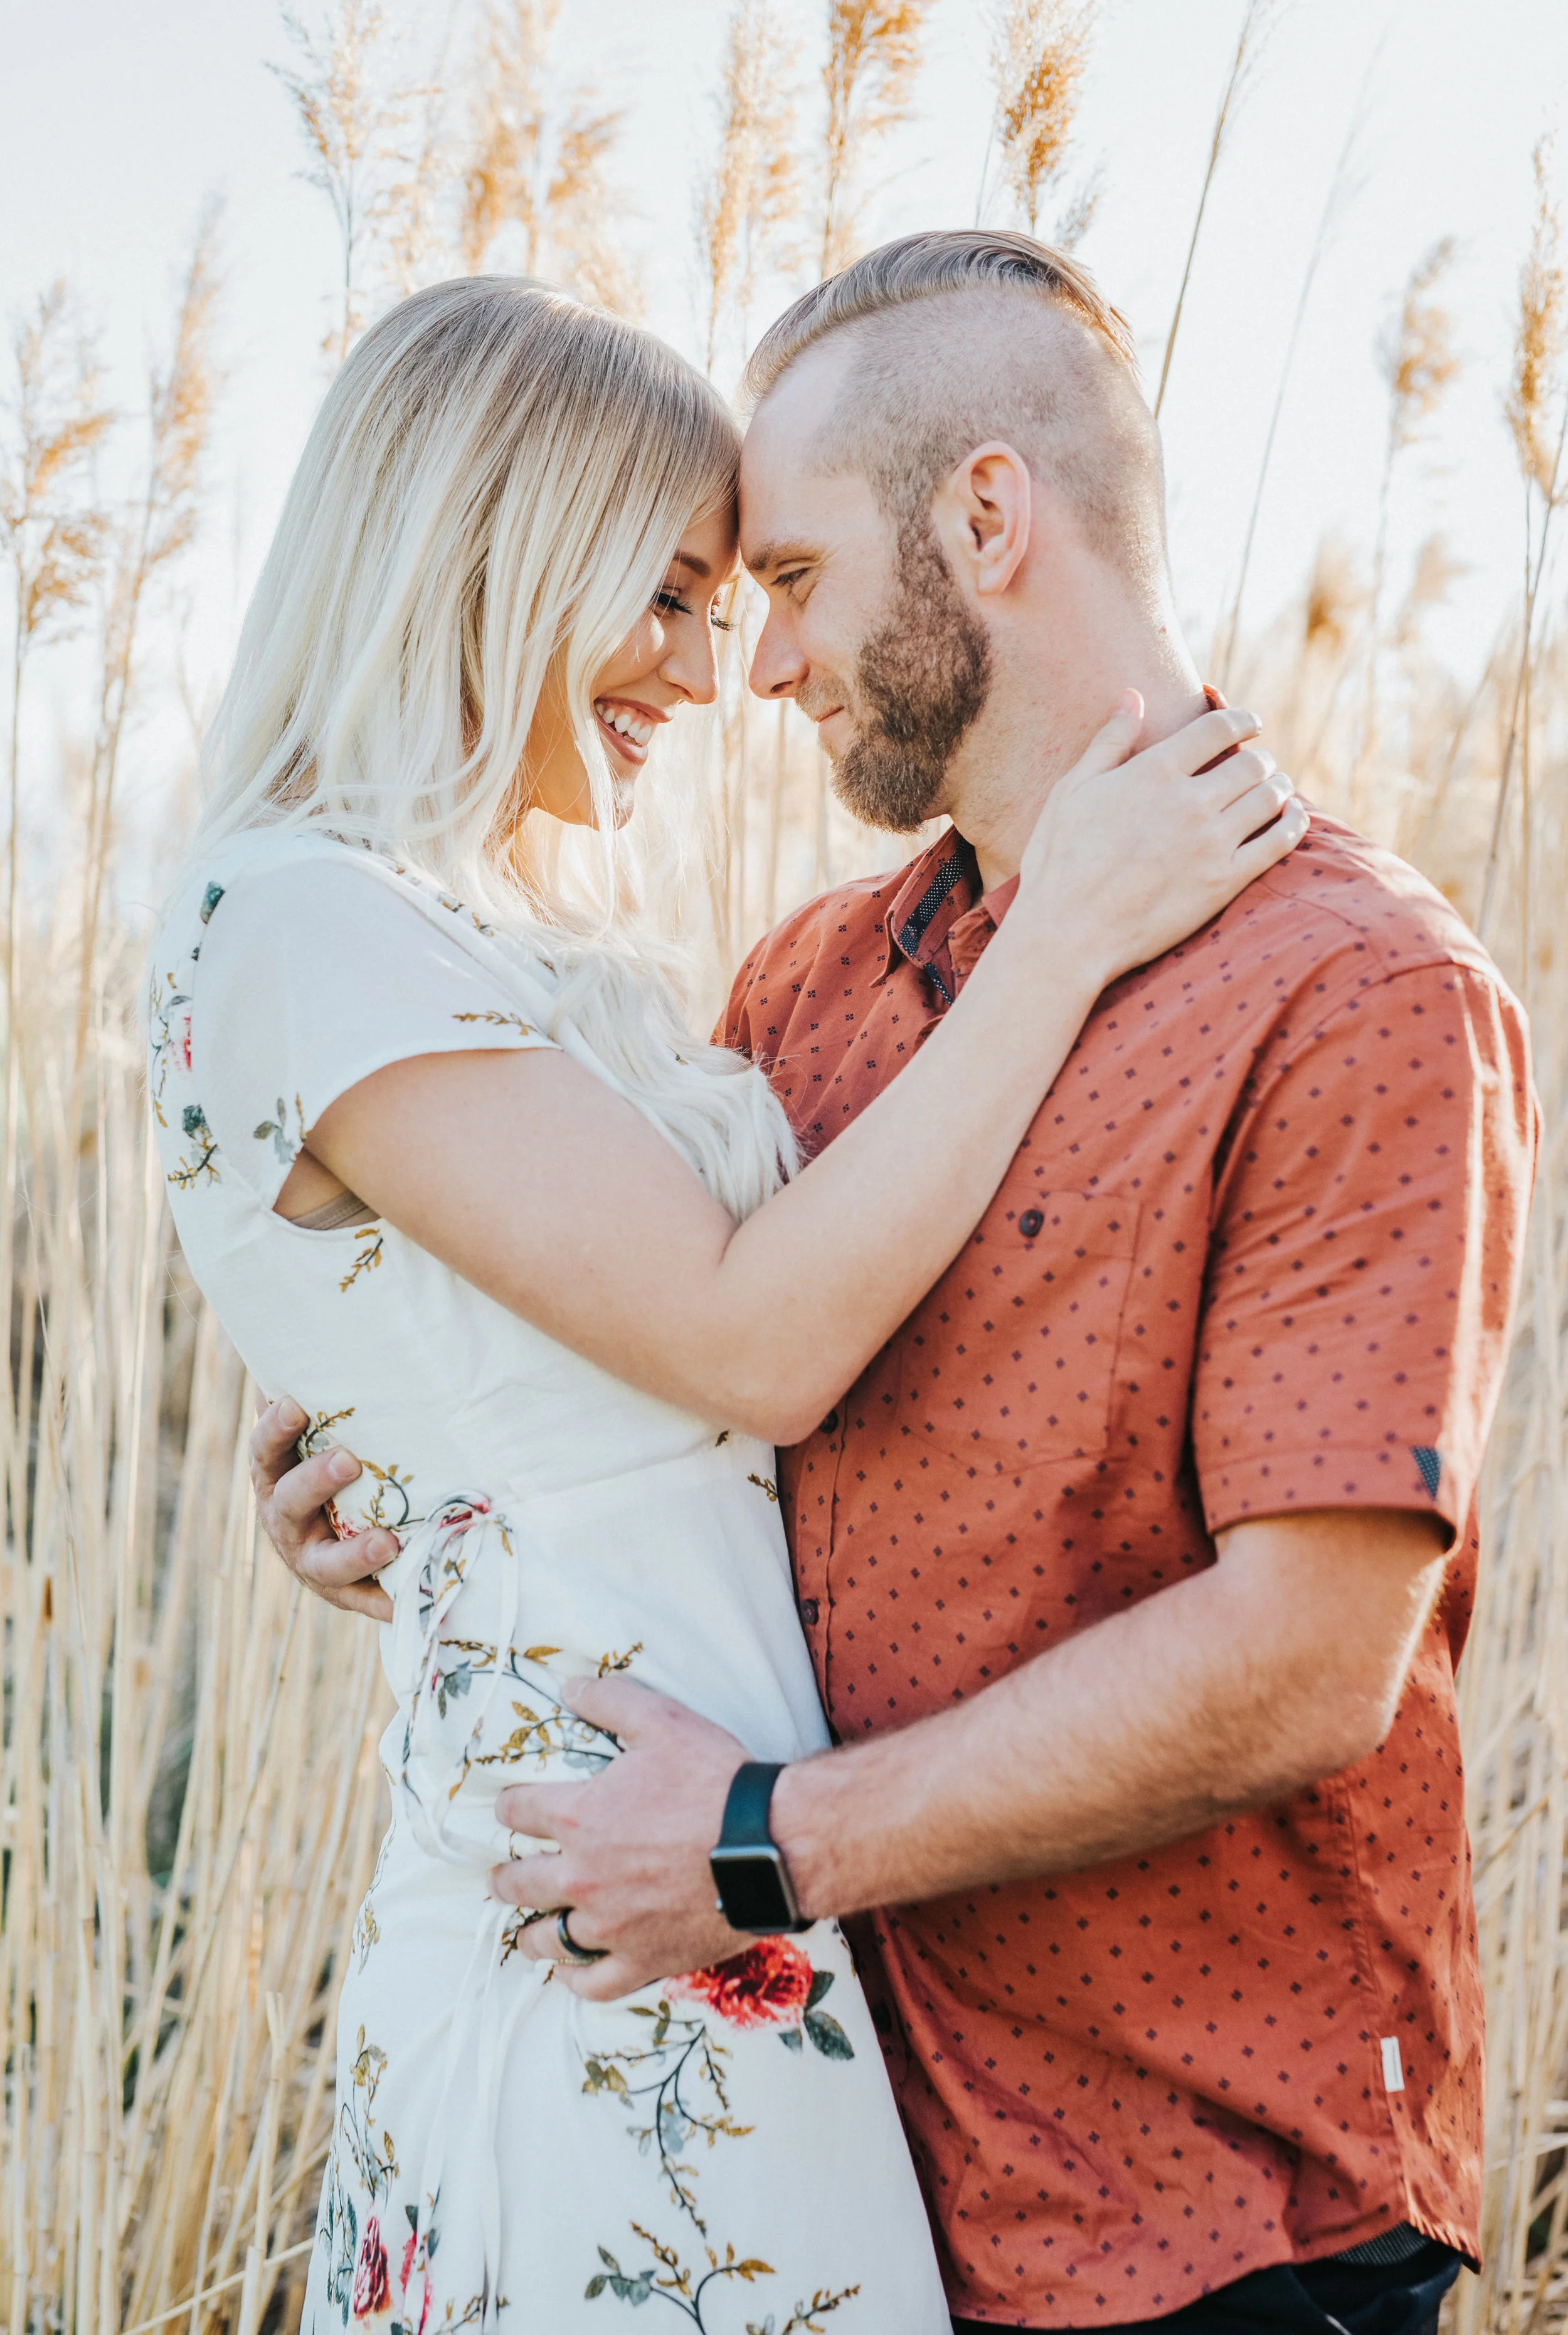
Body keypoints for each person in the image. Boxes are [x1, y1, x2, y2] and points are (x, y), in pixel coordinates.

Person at [253, 231, 1538, 2335]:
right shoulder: (803, 990)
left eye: (783, 580)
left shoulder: (1355, 988)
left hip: (1192, 2212)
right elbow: (687, 1362)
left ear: (984, 518)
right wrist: (404, 1458)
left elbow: (1310, 1656)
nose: (752, 666)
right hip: (832, 2195)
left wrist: (760, 1847)